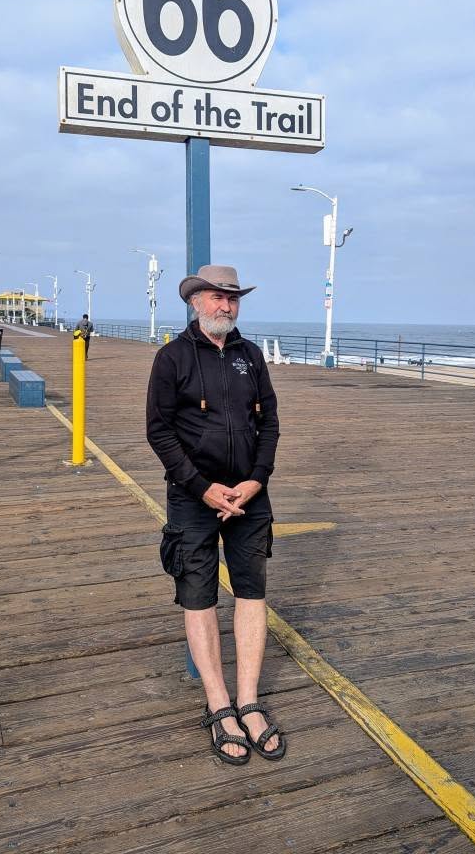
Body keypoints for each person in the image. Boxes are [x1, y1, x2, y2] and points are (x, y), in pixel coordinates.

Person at [147, 265, 286, 765]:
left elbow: (270, 424)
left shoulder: (251, 356)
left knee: (252, 591)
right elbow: (159, 431)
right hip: (194, 496)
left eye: (233, 298)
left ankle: (248, 701)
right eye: (216, 297)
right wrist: (202, 488)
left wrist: (256, 480)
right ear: (195, 302)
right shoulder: (173, 357)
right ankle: (219, 705)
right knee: (198, 595)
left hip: (249, 495)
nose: (225, 306)